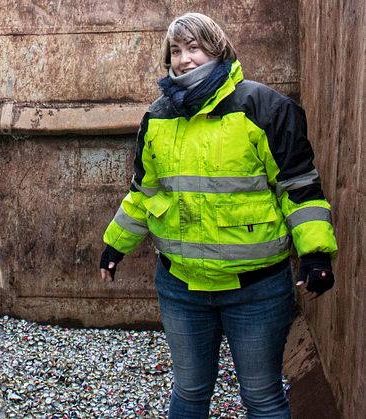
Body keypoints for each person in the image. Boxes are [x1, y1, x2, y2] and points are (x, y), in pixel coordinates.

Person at [99, 12, 337, 419]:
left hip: (257, 289)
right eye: (176, 50)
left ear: (219, 49)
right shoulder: (157, 118)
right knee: (189, 393)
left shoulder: (266, 108)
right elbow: (144, 193)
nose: (184, 59)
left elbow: (299, 189)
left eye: (194, 47)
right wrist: (114, 246)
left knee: (261, 396)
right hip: (181, 287)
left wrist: (316, 255)